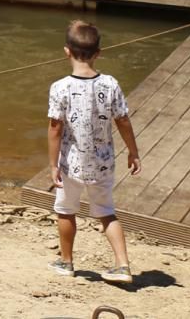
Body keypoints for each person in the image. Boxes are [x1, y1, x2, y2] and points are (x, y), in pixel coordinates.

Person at [47, 20, 141, 284]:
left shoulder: (60, 87)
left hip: (71, 163)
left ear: (67, 51)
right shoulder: (110, 84)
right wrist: (133, 152)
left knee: (66, 210)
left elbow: (55, 129)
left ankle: (66, 262)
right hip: (102, 162)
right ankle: (122, 265)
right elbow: (122, 120)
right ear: (98, 52)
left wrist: (53, 164)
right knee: (106, 212)